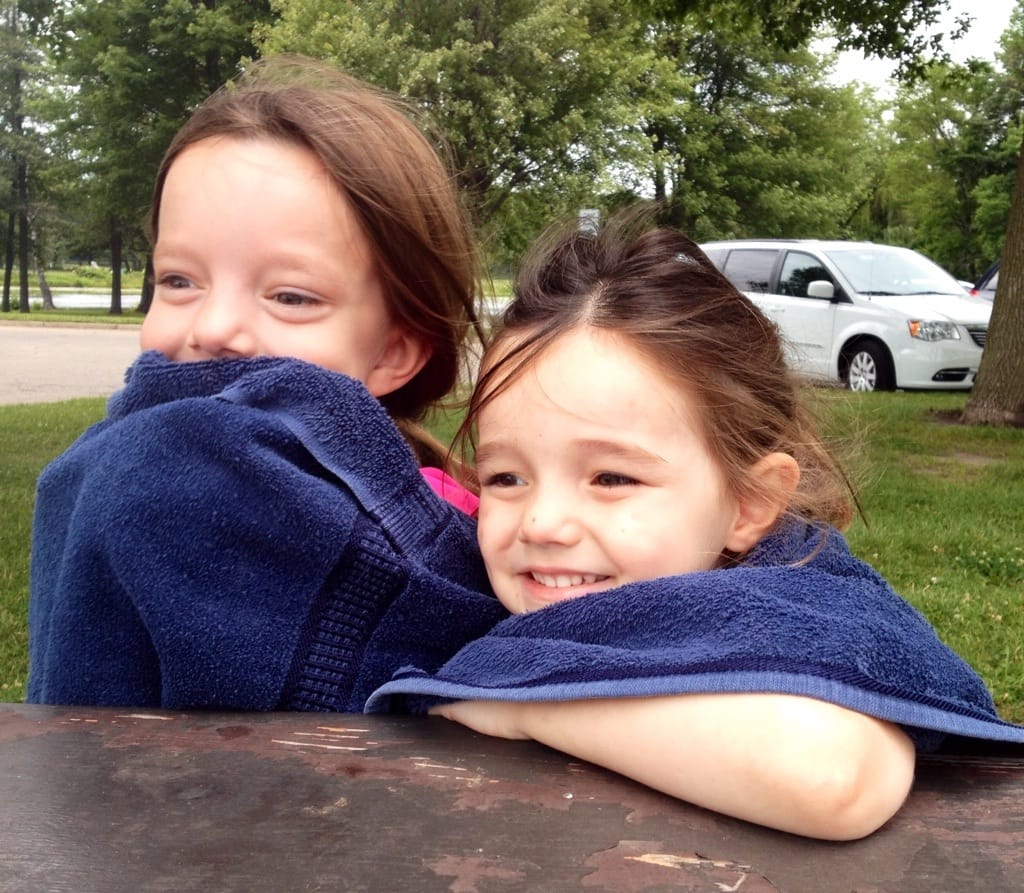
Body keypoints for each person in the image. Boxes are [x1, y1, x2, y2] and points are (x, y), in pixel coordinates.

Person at [367, 215, 1024, 840]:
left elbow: (833, 776)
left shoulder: (794, 603)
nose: (541, 522)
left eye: (611, 478)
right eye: (507, 478)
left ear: (747, 505)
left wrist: (520, 700)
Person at [26, 55, 508, 710]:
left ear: (395, 350)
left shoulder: (475, 535)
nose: (215, 327)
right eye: (177, 281)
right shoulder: (110, 471)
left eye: (290, 295)